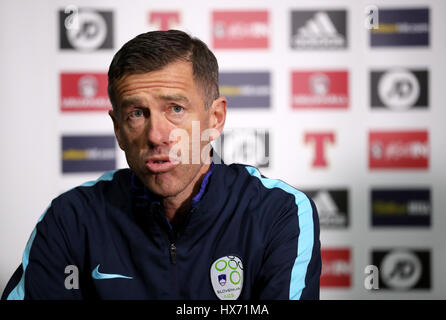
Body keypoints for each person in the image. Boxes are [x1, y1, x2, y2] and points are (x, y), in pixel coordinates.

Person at [2, 30, 321, 300]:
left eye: (176, 108)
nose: (156, 136)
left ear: (215, 118)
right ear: (118, 130)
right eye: (136, 114)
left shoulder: (279, 211)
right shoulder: (70, 218)